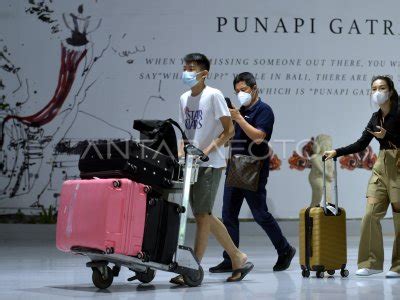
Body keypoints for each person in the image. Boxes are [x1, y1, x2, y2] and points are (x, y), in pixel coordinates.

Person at [170, 54, 254, 285]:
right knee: (204, 214)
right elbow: (185, 134)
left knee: (201, 215)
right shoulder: (184, 98)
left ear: (204, 73)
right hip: (191, 164)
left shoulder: (213, 95)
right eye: (184, 67)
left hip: (210, 163)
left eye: (192, 68)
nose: (186, 71)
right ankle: (238, 257)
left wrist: (206, 151)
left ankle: (192, 266)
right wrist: (180, 156)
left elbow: (229, 131)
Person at [209, 72, 296, 274]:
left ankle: (285, 249)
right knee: (228, 214)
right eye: (237, 91)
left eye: (244, 90)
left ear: (254, 88)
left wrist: (239, 118)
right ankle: (231, 258)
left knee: (260, 214)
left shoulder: (264, 110)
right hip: (235, 167)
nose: (241, 94)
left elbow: (258, 137)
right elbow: (234, 140)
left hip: (253, 168)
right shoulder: (239, 111)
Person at [324, 75, 400, 278]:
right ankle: (371, 263)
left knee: (399, 218)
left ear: (391, 91)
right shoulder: (376, 118)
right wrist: (337, 152)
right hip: (381, 167)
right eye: (374, 88)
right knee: (369, 215)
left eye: (382, 88)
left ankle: (398, 266)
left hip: (399, 166)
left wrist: (389, 136)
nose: (378, 92)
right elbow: (361, 144)